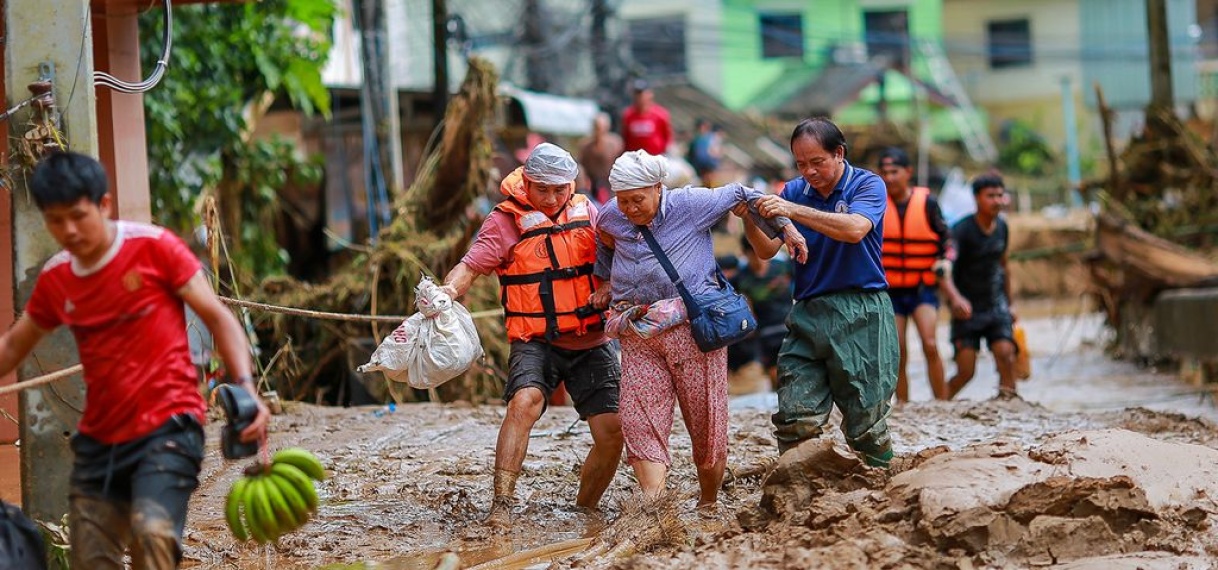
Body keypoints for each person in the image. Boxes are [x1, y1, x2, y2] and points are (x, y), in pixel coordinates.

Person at [0, 152, 270, 569]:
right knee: (92, 560)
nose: (68, 230)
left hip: (169, 428)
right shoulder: (57, 278)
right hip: (99, 441)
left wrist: (248, 389)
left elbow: (219, 318)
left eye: (78, 215)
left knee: (153, 536)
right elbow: (13, 348)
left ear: (104, 205)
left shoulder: (155, 248)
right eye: (55, 220)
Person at [593, 150, 806, 509]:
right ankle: (653, 506)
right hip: (638, 333)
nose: (629, 208)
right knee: (638, 419)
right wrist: (604, 282)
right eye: (623, 200)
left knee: (706, 424)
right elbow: (605, 241)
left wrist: (787, 228)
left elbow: (744, 193)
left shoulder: (691, 204)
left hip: (694, 332)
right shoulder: (611, 216)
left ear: (658, 188)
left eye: (637, 200)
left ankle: (708, 503)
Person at [440, 143, 623, 526]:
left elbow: (622, 256)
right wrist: (445, 293)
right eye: (543, 189)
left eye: (560, 189)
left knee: (612, 432)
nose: (553, 198)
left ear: (572, 184)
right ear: (526, 181)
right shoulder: (504, 221)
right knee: (524, 402)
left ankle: (585, 509)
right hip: (535, 339)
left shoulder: (587, 211)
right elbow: (469, 267)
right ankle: (502, 506)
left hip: (591, 338)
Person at [746, 117, 899, 468]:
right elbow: (767, 250)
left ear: (839, 153)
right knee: (795, 416)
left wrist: (792, 210)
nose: (809, 172)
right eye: (801, 164)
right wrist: (748, 218)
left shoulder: (866, 184)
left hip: (862, 310)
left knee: (866, 423)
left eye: (817, 162)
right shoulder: (794, 190)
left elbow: (856, 229)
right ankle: (799, 497)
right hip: (808, 311)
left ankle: (882, 487)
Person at [877, 147, 952, 402]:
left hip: (922, 288)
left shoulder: (928, 204)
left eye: (894, 171)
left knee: (930, 344)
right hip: (891, 291)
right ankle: (904, 405)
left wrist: (946, 260)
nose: (889, 177)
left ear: (908, 172)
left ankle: (941, 402)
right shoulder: (876, 205)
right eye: (884, 172)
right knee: (897, 351)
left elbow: (947, 241)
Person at [943, 173, 1018, 400]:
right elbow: (944, 271)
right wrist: (955, 299)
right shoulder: (961, 231)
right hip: (967, 308)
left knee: (1006, 356)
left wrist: (1011, 304)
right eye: (990, 196)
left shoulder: (1003, 227)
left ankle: (1010, 407)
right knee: (966, 371)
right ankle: (939, 403)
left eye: (999, 195)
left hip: (995, 304)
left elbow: (1004, 266)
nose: (996, 201)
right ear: (977, 198)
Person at [728, 234, 793, 385]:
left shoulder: (783, 267)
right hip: (764, 332)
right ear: (745, 254)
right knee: (774, 372)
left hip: (790, 326)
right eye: (752, 255)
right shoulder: (741, 278)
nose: (757, 259)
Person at [579, 112, 624, 206]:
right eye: (596, 126)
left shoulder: (615, 143)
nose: (599, 130)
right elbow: (582, 166)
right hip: (592, 184)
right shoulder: (585, 145)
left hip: (610, 183)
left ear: (607, 127)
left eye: (601, 126)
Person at [620, 80, 672, 156]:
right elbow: (625, 138)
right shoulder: (628, 115)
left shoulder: (660, 114)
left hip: (655, 158)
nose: (639, 97)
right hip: (635, 159)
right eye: (636, 94)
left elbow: (667, 137)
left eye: (641, 94)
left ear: (650, 94)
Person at [686, 119, 723, 187]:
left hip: (703, 170)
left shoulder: (707, 139)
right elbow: (700, 157)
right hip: (697, 170)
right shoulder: (699, 140)